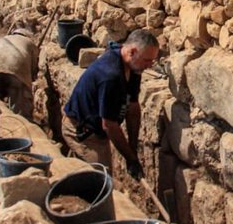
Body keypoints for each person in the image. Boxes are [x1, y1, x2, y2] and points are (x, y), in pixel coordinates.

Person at [62, 29, 160, 177]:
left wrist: (132, 148)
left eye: (152, 60)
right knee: (102, 180)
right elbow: (109, 125)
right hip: (81, 131)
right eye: (147, 60)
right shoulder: (110, 76)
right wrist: (131, 159)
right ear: (132, 52)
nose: (150, 65)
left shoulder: (134, 68)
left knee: (86, 176)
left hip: (98, 130)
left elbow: (133, 108)